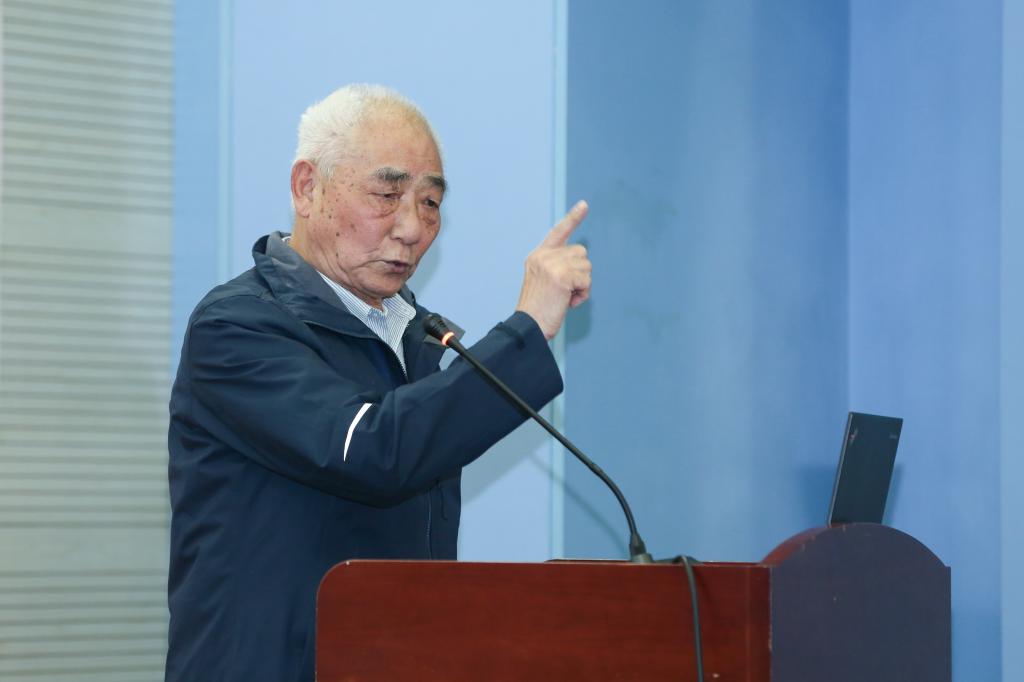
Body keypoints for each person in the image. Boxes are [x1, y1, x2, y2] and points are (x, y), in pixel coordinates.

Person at [164, 84, 592, 681]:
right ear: (307, 188)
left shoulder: (416, 335)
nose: (412, 228)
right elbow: (375, 452)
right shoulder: (237, 327)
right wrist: (527, 331)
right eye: (387, 195)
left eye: (430, 202)